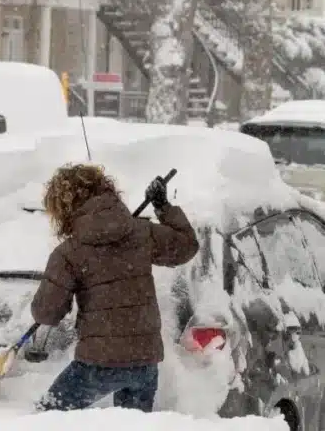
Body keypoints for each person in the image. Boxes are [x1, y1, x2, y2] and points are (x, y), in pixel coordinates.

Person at [30, 164, 200, 412]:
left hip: (98, 363)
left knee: (46, 419)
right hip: (145, 361)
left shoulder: (68, 253)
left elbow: (46, 313)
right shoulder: (141, 233)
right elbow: (186, 246)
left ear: (63, 209)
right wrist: (163, 206)